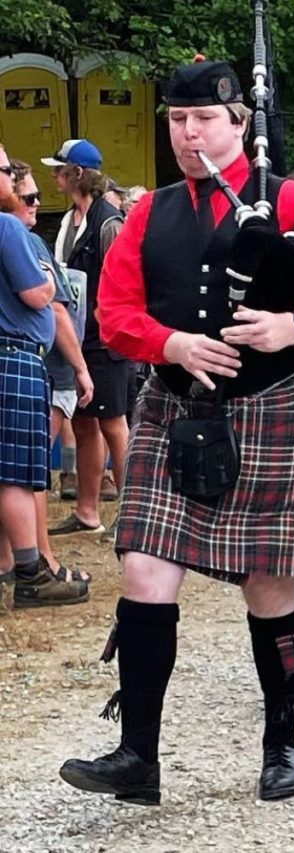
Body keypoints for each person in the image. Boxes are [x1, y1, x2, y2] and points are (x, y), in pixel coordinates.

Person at [58, 58, 294, 806]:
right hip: (178, 409)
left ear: (240, 123)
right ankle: (137, 753)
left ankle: (282, 738)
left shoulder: (293, 200)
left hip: (270, 405)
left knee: (269, 584)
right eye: (176, 119)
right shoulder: (148, 212)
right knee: (144, 572)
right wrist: (169, 344)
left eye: (203, 118)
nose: (188, 132)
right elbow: (116, 314)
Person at [9, 160, 96, 594]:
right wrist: (81, 368)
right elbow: (52, 303)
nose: (36, 203)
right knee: (27, 473)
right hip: (31, 363)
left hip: (34, 362)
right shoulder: (15, 234)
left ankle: (16, 560)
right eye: (27, 196)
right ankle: (39, 565)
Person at [42, 138, 127, 535]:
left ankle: (132, 514)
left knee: (113, 422)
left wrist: (108, 322)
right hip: (81, 333)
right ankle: (88, 511)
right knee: (85, 423)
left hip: (105, 336)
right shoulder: (72, 219)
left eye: (60, 169)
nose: (54, 175)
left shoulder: (109, 221)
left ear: (77, 174)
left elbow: (122, 278)